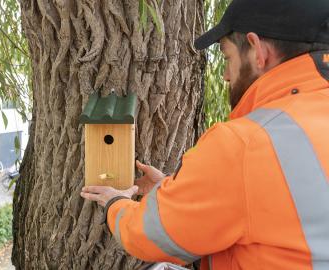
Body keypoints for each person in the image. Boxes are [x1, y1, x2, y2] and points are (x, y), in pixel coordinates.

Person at [80, 0, 329, 269]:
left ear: (257, 50)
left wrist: (115, 203)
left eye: (227, 57)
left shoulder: (246, 144)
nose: (224, 75)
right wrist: (172, 190)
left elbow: (148, 234)